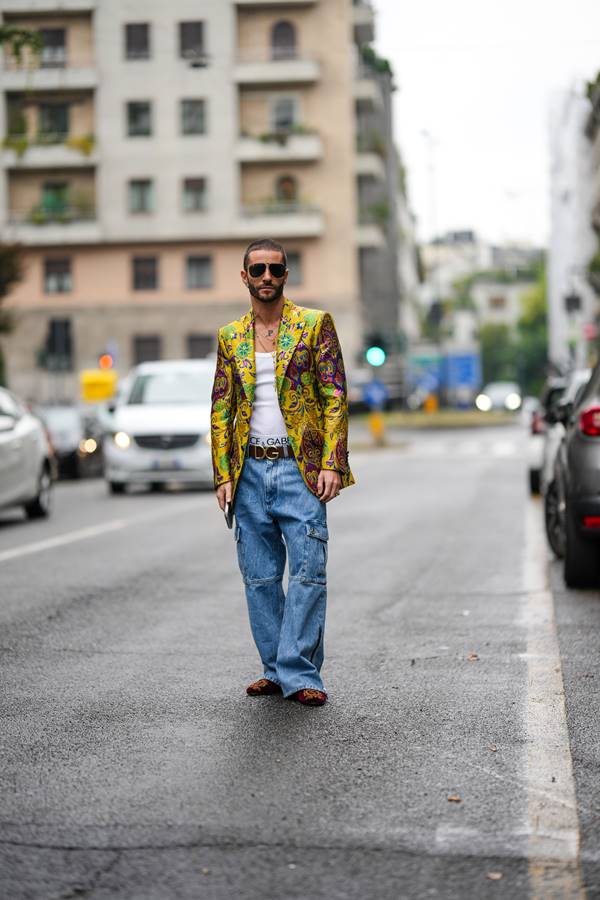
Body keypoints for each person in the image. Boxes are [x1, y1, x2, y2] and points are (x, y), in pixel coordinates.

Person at [210, 238, 354, 707]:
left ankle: (301, 672)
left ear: (286, 275)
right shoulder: (230, 336)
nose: (267, 277)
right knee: (260, 577)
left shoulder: (314, 325)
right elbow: (221, 408)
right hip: (250, 468)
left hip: (301, 470)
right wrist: (223, 474)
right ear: (245, 276)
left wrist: (333, 461)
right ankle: (274, 668)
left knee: (309, 573)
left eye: (275, 269)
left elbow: (335, 395)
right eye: (258, 270)